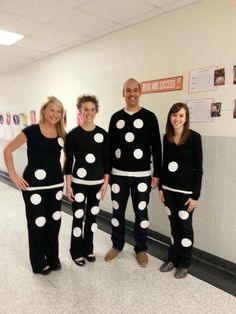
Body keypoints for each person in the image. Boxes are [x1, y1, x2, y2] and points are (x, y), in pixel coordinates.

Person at [3, 96, 66, 275]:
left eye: (58, 111)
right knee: (38, 223)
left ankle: (53, 257)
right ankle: (39, 262)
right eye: (52, 110)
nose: (55, 114)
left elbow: (68, 155)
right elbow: (7, 150)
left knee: (54, 223)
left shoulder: (62, 132)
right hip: (34, 187)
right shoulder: (31, 131)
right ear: (44, 111)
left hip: (55, 187)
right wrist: (13, 175)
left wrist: (62, 172)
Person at [105, 78, 162, 267]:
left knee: (141, 214)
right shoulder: (115, 118)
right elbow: (109, 147)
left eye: (135, 90)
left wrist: (157, 173)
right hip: (118, 174)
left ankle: (141, 248)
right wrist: (108, 173)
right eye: (128, 90)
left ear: (140, 92)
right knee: (117, 212)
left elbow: (156, 146)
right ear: (123, 93)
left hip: (142, 176)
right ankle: (117, 245)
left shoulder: (149, 117)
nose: (131, 94)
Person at [158, 102, 203, 279]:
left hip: (186, 194)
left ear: (186, 118)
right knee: (173, 226)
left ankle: (184, 262)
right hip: (168, 190)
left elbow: (198, 169)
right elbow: (162, 165)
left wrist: (195, 196)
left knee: (185, 227)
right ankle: (172, 258)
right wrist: (161, 188)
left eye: (181, 116)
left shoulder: (194, 138)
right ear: (170, 117)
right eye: (174, 115)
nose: (177, 119)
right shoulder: (166, 137)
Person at [65, 95, 109, 267]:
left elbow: (106, 161)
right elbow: (69, 162)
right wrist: (68, 185)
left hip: (97, 185)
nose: (89, 113)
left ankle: (88, 248)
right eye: (86, 109)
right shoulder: (73, 135)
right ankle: (75, 251)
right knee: (78, 217)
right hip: (78, 184)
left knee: (91, 219)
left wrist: (105, 184)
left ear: (96, 111)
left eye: (92, 109)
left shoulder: (103, 134)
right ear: (80, 111)